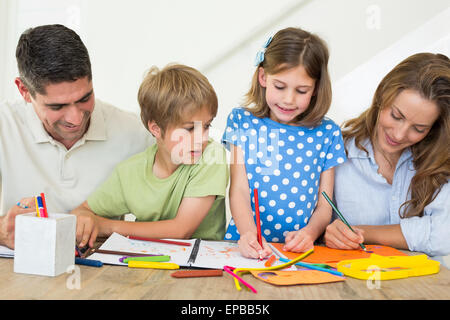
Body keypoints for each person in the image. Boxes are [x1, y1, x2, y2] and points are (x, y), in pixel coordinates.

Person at [0, 24, 153, 249]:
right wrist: (2, 231)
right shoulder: (5, 125)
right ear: (23, 90)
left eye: (84, 98)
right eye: (57, 106)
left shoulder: (135, 133)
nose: (75, 119)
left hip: (103, 275)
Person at [72, 64, 229, 248]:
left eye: (206, 125)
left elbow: (181, 230)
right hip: (146, 265)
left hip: (202, 268)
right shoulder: (130, 171)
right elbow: (82, 210)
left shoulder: (211, 156)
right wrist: (84, 218)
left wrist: (106, 226)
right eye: (189, 129)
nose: (202, 138)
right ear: (156, 129)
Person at [222, 27, 347, 259]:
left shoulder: (327, 133)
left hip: (303, 251)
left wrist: (310, 233)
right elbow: (238, 189)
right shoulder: (243, 121)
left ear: (316, 89)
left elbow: (325, 203)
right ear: (263, 78)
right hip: (245, 246)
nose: (289, 99)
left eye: (301, 90)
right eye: (280, 87)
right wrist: (249, 234)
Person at [325, 53, 450, 258]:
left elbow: (444, 235)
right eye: (396, 116)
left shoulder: (441, 160)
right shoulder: (338, 152)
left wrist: (362, 233)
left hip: (425, 286)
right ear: (382, 96)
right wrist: (329, 233)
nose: (399, 135)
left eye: (418, 128)